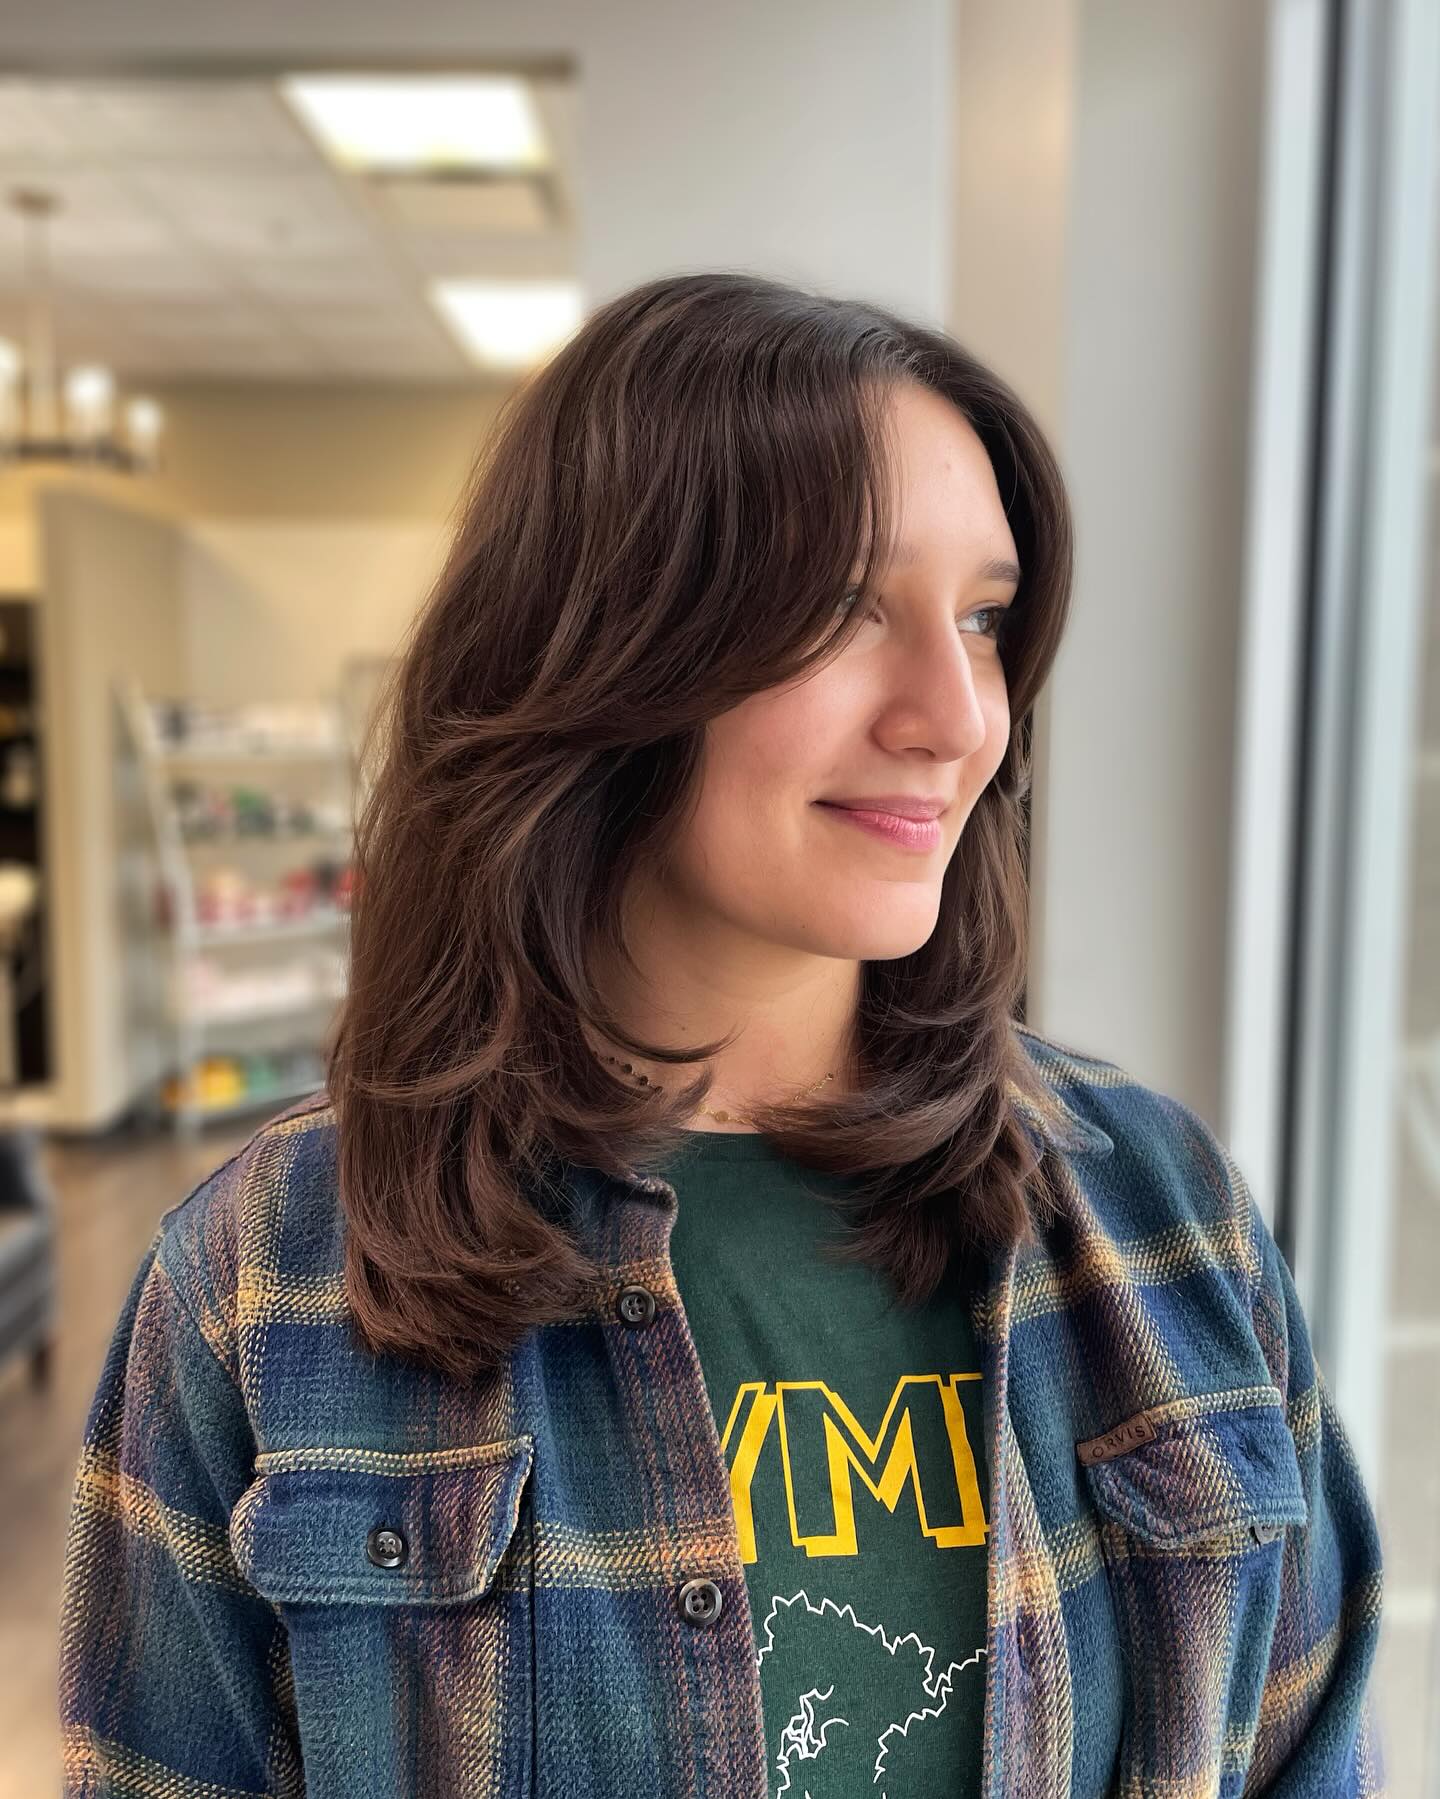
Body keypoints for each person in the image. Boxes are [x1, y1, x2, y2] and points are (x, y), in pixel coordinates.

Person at [57, 271, 1385, 1797]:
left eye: (984, 619)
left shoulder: (1164, 1211)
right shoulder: (266, 1279)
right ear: (603, 645)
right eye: (844, 609)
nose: (958, 716)